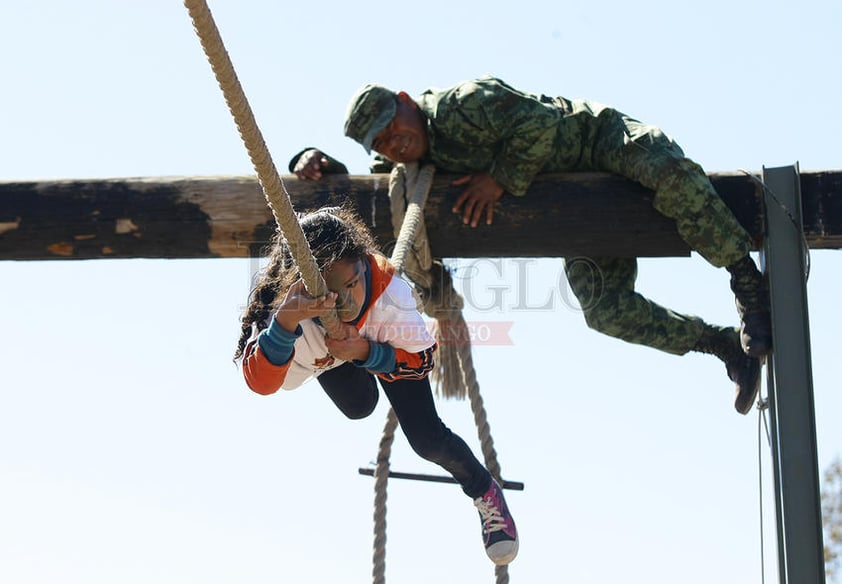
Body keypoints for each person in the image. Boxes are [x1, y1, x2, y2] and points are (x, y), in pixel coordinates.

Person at [290, 76, 772, 415]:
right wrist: (323, 165)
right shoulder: (415, 165)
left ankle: (747, 284)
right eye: (384, 142)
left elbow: (541, 122)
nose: (397, 142)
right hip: (579, 215)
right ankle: (723, 345)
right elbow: (386, 187)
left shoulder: (463, 104)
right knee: (606, 310)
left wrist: (499, 179)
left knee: (671, 176)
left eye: (396, 127)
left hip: (595, 143)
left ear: (405, 100)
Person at [234, 207, 518, 566]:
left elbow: (423, 361)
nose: (349, 301)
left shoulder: (391, 296)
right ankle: (353, 361)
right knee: (359, 407)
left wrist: (369, 351)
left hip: (380, 345)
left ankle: (484, 490)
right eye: (336, 292)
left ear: (363, 265)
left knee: (427, 439)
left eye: (353, 283)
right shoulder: (283, 308)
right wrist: (288, 322)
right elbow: (259, 383)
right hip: (326, 353)